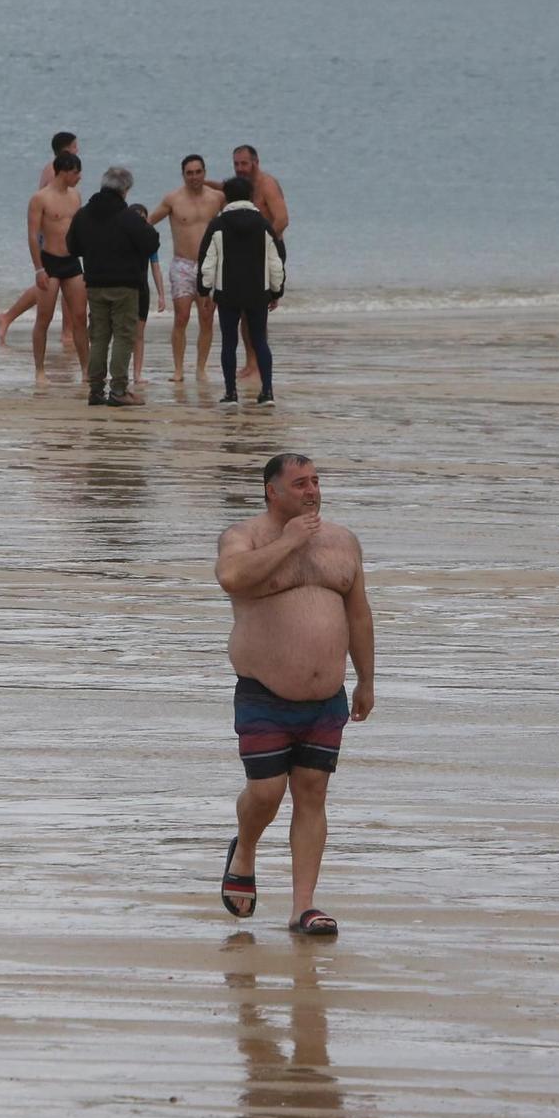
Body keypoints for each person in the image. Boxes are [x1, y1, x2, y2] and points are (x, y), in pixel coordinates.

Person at [213, 453, 374, 937]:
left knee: (312, 793)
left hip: (327, 697)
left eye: (316, 481)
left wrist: (367, 678)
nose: (311, 491)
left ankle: (303, 907)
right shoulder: (244, 538)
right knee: (265, 793)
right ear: (272, 491)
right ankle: (244, 848)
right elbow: (231, 578)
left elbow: (360, 614)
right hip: (264, 692)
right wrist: (288, 543)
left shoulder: (343, 542)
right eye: (300, 483)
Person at [65, 166, 159, 406]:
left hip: (94, 284)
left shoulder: (84, 214)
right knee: (123, 337)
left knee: (98, 337)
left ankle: (95, 390)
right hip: (125, 285)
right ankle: (118, 390)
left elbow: (72, 246)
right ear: (125, 190)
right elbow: (151, 243)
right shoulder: (127, 217)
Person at [196, 176, 285, 405]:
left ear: (226, 196)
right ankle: (267, 392)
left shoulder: (218, 224)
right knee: (260, 342)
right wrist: (276, 291)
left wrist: (204, 291)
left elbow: (208, 260)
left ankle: (230, 393)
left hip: (228, 293)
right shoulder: (263, 224)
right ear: (250, 196)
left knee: (229, 342)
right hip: (258, 292)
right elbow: (275, 261)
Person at [147, 154, 225, 383]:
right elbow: (148, 221)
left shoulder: (217, 198)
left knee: (207, 317)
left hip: (209, 266)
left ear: (204, 172)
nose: (194, 177)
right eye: (189, 173)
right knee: (181, 318)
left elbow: (238, 215)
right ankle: (178, 369)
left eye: (198, 172)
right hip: (182, 264)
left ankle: (201, 368)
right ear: (183, 175)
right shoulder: (173, 199)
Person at [0, 131, 80, 345]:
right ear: (66, 150)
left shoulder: (64, 173)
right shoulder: (54, 172)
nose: (77, 150)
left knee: (62, 286)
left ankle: (66, 331)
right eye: (75, 147)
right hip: (49, 238)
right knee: (48, 285)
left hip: (63, 241)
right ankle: (8, 317)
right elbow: (47, 210)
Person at [28, 153, 87, 385]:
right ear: (64, 171)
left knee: (80, 317)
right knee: (44, 317)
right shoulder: (40, 198)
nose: (79, 177)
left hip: (72, 261)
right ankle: (40, 371)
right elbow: (33, 235)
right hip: (50, 262)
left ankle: (85, 370)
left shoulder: (76, 196)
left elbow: (80, 230)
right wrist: (38, 269)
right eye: (76, 172)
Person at [127, 202, 167, 390]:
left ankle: (137, 374)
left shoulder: (149, 240)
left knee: (139, 334)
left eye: (142, 219)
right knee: (122, 333)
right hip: (125, 290)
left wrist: (161, 294)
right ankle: (119, 371)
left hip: (142, 289)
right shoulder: (122, 238)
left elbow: (156, 267)